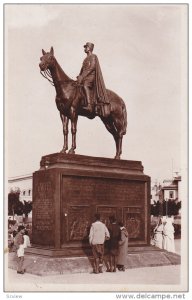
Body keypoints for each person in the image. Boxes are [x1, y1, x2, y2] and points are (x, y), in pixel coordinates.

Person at [77, 42, 110, 116]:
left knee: (85, 85)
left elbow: (92, 67)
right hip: (85, 76)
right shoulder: (85, 59)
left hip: (91, 77)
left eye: (86, 47)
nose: (85, 48)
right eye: (85, 47)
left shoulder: (93, 56)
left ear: (89, 48)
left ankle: (89, 105)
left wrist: (82, 76)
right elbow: (82, 69)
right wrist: (79, 76)